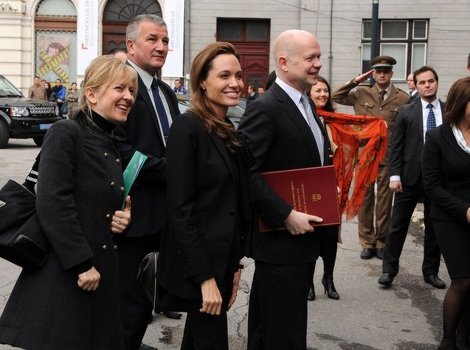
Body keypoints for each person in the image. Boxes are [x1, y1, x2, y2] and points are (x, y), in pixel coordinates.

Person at [0, 55, 135, 349]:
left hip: (98, 277)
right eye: (120, 89)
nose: (128, 97)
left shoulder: (108, 140)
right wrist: (81, 264)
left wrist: (121, 218)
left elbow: (96, 204)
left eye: (132, 91)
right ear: (91, 93)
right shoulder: (67, 132)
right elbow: (52, 201)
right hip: (68, 277)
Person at [238, 29, 338, 350]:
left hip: (304, 243)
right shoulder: (265, 107)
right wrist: (285, 214)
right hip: (280, 243)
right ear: (283, 62)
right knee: (277, 332)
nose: (318, 64)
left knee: (286, 327)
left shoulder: (306, 104)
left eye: (319, 57)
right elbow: (245, 172)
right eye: (310, 58)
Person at [158, 41, 250, 350]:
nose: (235, 83)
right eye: (224, 76)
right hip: (201, 268)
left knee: (199, 340)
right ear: (202, 82)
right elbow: (180, 209)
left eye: (238, 75)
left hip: (222, 263)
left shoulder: (227, 128)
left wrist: (234, 266)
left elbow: (232, 205)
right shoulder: (188, 127)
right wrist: (205, 278)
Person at [114, 14, 181, 350]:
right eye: (152, 39)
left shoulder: (166, 92)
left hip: (166, 218)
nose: (161, 47)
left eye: (165, 40)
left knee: (149, 301)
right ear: (130, 45)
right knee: (129, 305)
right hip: (133, 218)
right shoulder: (122, 88)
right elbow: (120, 150)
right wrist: (171, 170)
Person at [332, 55, 409, 260]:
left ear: (391, 73)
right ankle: (367, 242)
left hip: (388, 155)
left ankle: (382, 241)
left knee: (385, 200)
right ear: (373, 74)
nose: (382, 74)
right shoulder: (361, 93)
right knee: (365, 199)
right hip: (364, 154)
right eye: (378, 71)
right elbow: (336, 97)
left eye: (385, 71)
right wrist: (357, 80)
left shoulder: (402, 98)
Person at [378, 66, 445, 289]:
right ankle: (388, 270)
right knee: (398, 225)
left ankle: (430, 272)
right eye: (422, 82)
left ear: (437, 82)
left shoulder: (448, 111)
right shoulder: (406, 111)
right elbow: (395, 147)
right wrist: (394, 175)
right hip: (409, 178)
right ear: (415, 85)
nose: (427, 85)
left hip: (439, 179)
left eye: (431, 81)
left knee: (434, 227)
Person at [422, 77, 470, 350]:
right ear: (462, 103)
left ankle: (465, 338)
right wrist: (464, 210)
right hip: (448, 216)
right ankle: (448, 340)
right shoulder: (438, 136)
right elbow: (431, 186)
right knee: (462, 279)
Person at [306, 76, 340, 301]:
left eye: (325, 91)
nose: (322, 95)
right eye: (317, 91)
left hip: (331, 184)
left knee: (329, 235)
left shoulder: (335, 121)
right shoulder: (305, 118)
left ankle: (328, 278)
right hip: (307, 184)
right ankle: (307, 281)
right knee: (310, 233)